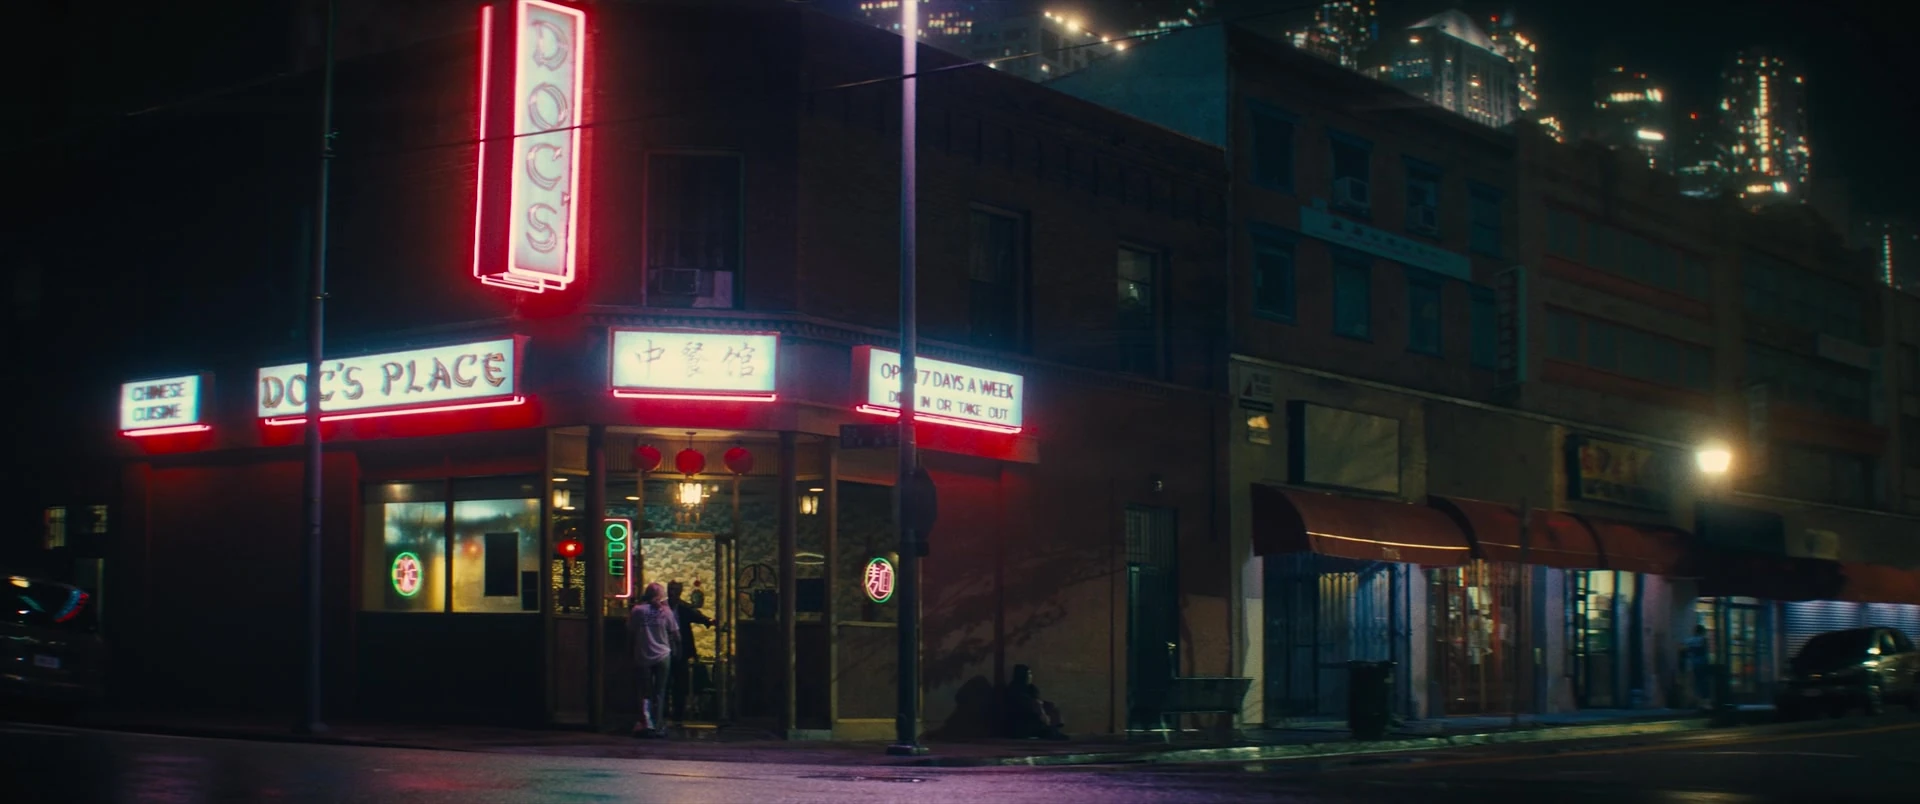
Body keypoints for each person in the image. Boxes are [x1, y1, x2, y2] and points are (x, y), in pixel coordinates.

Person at [628, 581, 679, 737]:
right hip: (663, 655)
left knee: (645, 692)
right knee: (660, 691)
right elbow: (676, 634)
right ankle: (658, 725)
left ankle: (647, 723)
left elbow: (630, 631)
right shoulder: (666, 612)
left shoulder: (638, 610)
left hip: (643, 654)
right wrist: (677, 649)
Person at [667, 581, 714, 722]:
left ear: (679, 592)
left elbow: (696, 616)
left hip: (680, 649)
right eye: (670, 589)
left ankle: (678, 714)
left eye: (675, 590)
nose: (672, 592)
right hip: (665, 648)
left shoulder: (683, 608)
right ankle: (665, 712)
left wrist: (709, 621)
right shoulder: (664, 607)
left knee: (680, 682)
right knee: (666, 682)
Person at [1002, 664, 1067, 740]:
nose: (1030, 676)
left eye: (1030, 673)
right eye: (1028, 674)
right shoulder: (1014, 688)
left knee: (1050, 706)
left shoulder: (1031, 688)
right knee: (1042, 722)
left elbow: (1038, 700)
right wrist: (1041, 712)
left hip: (1034, 718)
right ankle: (1051, 731)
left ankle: (1054, 730)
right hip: (1022, 722)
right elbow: (1027, 704)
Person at [1684, 624, 1712, 709]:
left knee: (1696, 683)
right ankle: (1705, 702)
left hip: (1693, 665)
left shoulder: (1689, 641)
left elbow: (1684, 651)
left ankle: (1697, 702)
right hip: (1702, 664)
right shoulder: (1703, 640)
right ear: (1702, 632)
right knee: (1704, 683)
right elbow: (1706, 652)